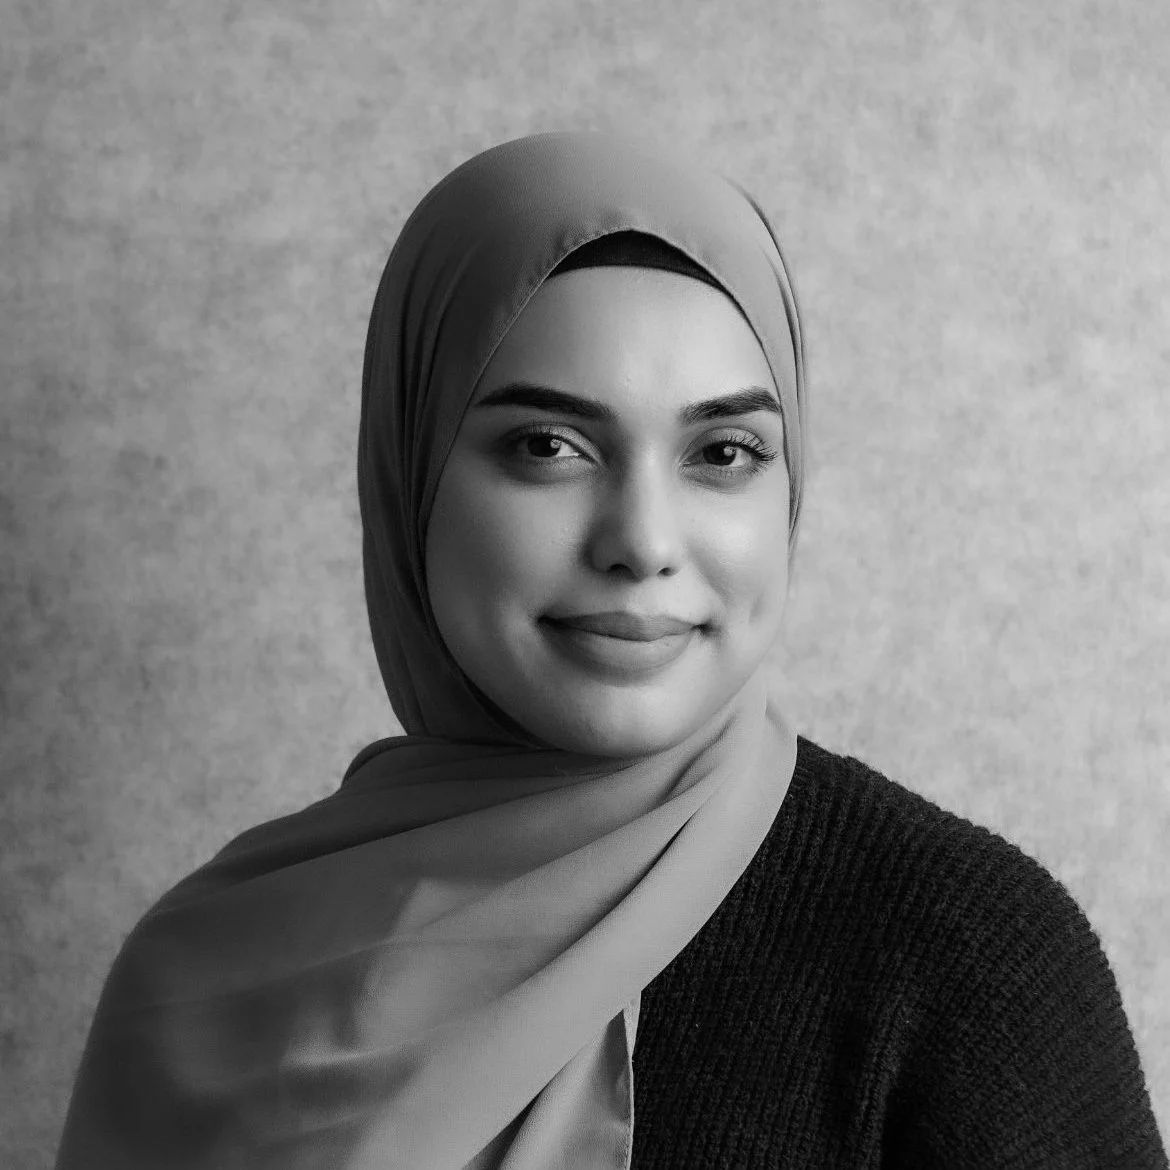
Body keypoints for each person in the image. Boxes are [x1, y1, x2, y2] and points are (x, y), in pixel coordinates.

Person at [55, 131, 1166, 1169]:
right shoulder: (204, 982)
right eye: (548, 446)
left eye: (723, 452)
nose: (642, 542)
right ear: (409, 478)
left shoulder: (967, 964)